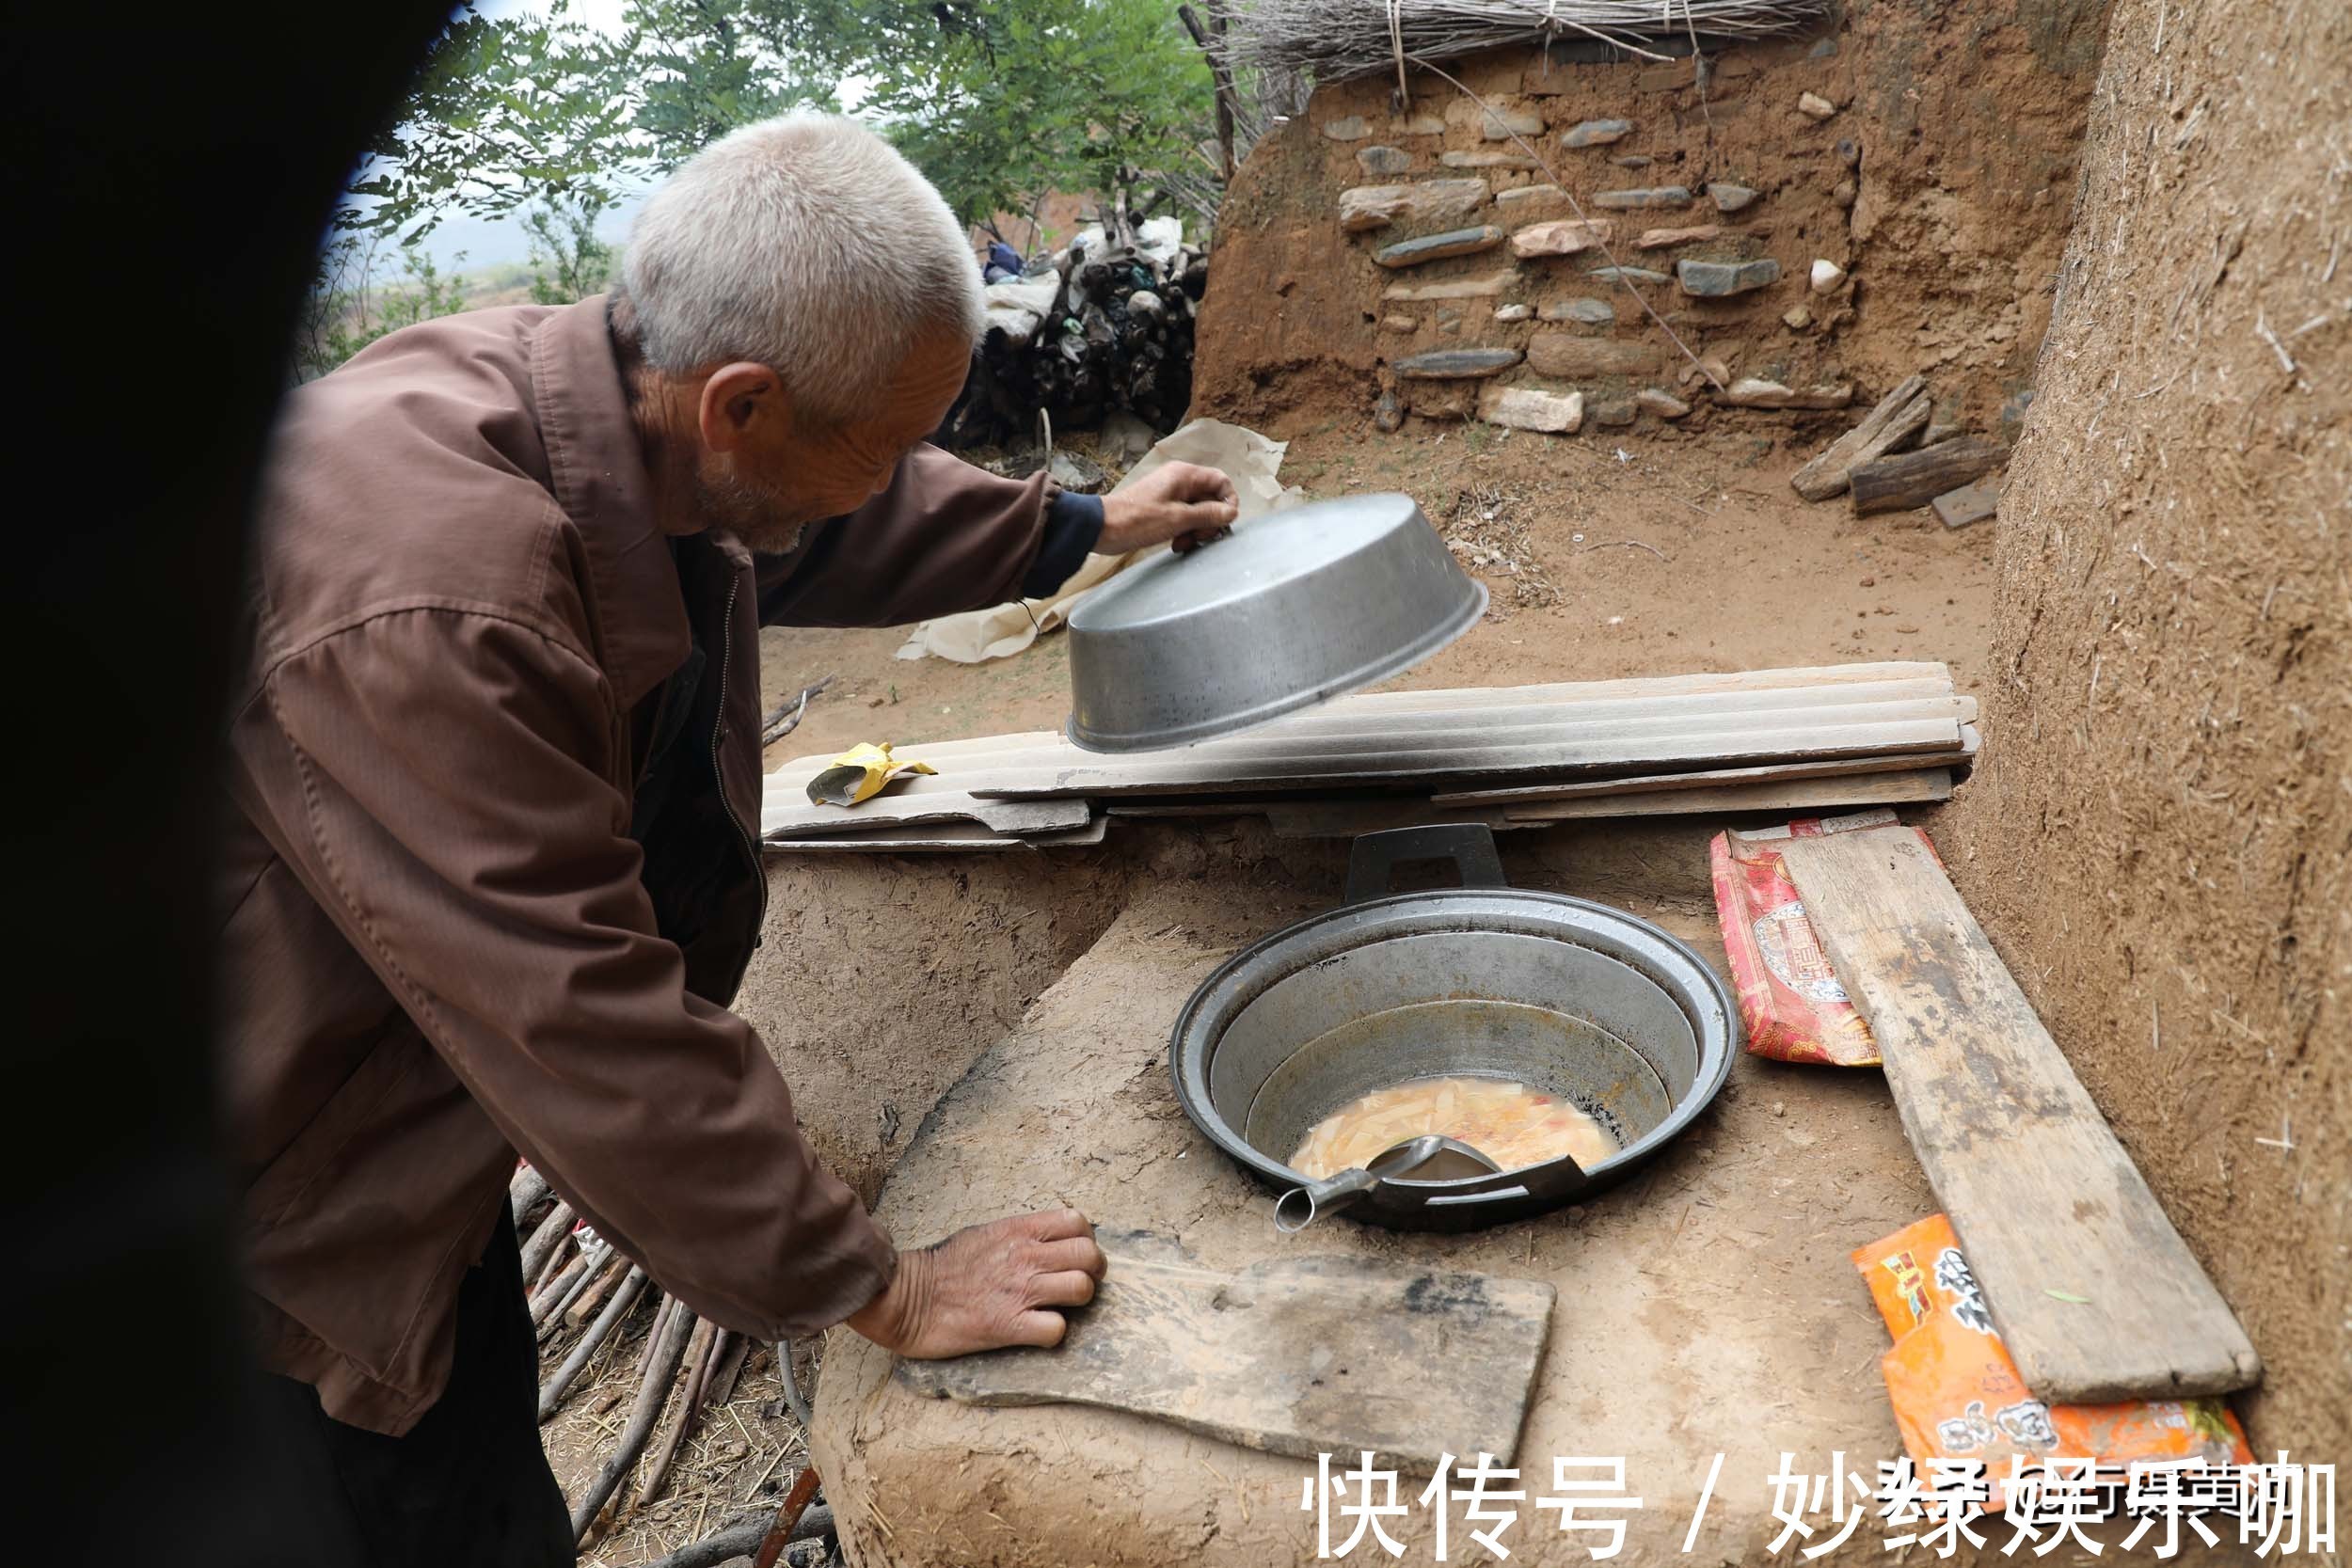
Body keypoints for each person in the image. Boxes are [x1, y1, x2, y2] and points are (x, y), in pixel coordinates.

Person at [217, 112, 1238, 1565]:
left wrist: (1081, 526)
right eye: (890, 439)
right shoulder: (437, 603)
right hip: (267, 1212)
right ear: (740, 404)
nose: (901, 466)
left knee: (482, 1470)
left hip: (400, 1132)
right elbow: (579, 1018)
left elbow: (812, 516)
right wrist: (881, 1286)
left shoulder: (616, 404)